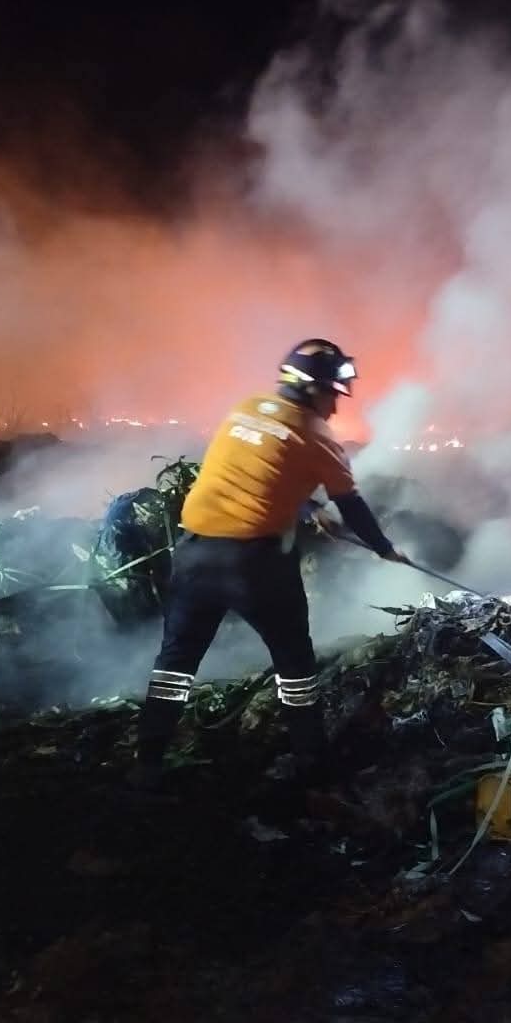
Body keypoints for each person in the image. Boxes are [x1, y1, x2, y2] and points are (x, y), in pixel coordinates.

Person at [129, 338, 408, 791]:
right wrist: (382, 547)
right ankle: (311, 766)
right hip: (253, 565)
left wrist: (303, 509)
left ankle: (148, 763)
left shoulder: (244, 410)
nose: (336, 407)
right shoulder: (318, 438)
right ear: (312, 389)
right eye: (332, 394)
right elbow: (352, 506)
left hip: (195, 554)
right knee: (295, 665)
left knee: (175, 664)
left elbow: (254, 474)